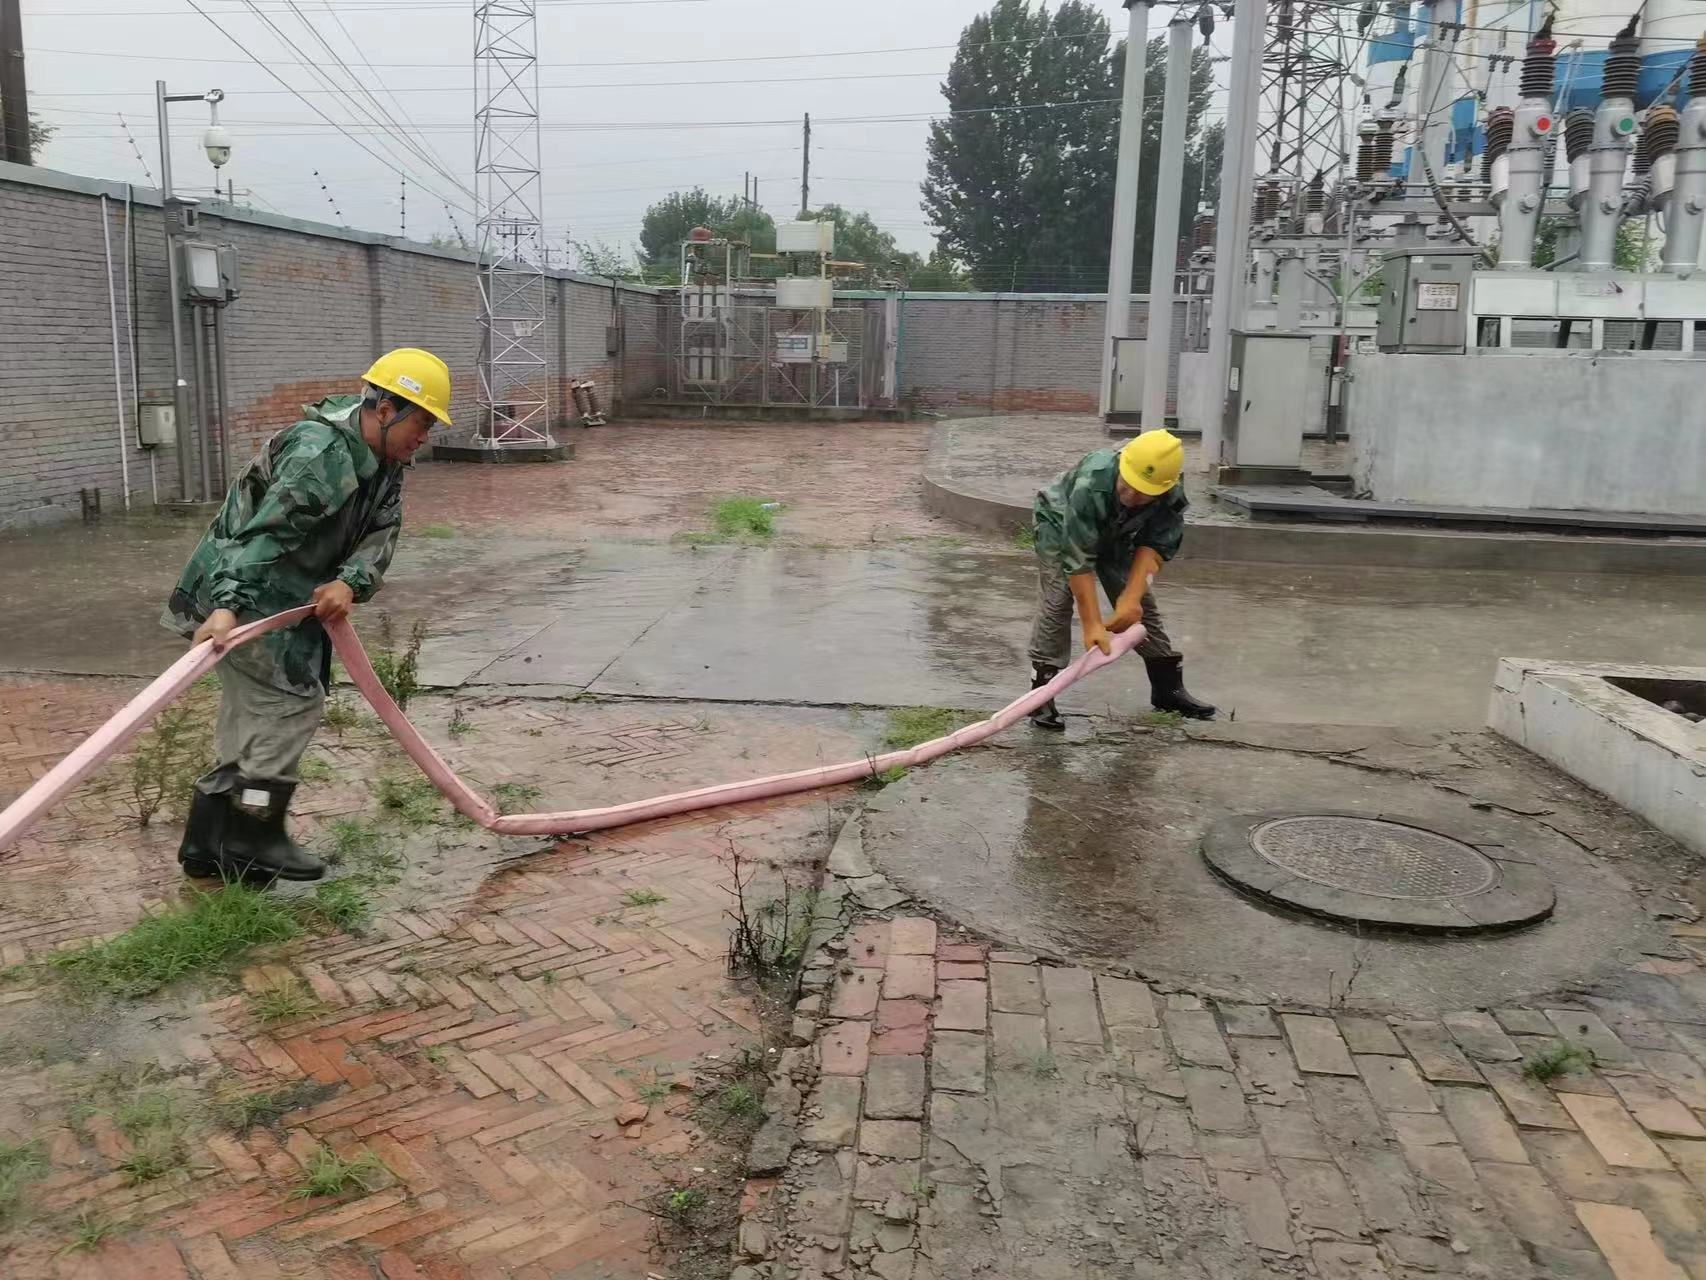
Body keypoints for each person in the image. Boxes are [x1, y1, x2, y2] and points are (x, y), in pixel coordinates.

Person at [162, 348, 453, 882]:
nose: (424, 436)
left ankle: (209, 839)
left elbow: (380, 535)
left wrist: (349, 581)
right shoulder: (320, 454)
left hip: (284, 603)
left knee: (252, 713)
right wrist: (227, 606)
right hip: (246, 596)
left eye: (431, 426)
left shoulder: (385, 464)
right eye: (422, 422)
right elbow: (263, 537)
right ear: (386, 410)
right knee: (290, 702)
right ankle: (253, 833)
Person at [1026, 429, 1216, 730]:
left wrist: (1131, 597)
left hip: (1117, 531)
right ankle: (1041, 693)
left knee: (1140, 607)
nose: (1132, 496)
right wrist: (1091, 623)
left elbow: (1155, 546)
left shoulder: (1170, 491)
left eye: (1143, 493)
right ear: (1123, 465)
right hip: (1060, 524)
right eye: (1128, 486)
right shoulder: (1093, 479)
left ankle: (1168, 689)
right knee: (1058, 600)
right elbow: (1078, 559)